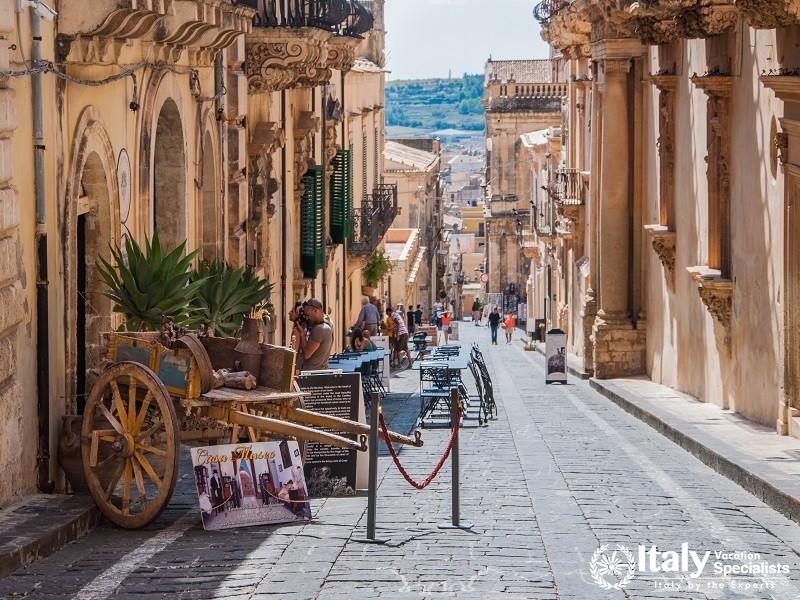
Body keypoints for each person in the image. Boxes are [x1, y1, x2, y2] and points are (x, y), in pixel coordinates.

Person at [293, 298, 333, 371]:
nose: (307, 318)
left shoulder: (319, 329)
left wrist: (302, 335)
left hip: (312, 375)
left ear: (315, 311)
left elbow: (306, 354)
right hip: (320, 372)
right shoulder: (327, 325)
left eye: (308, 315)